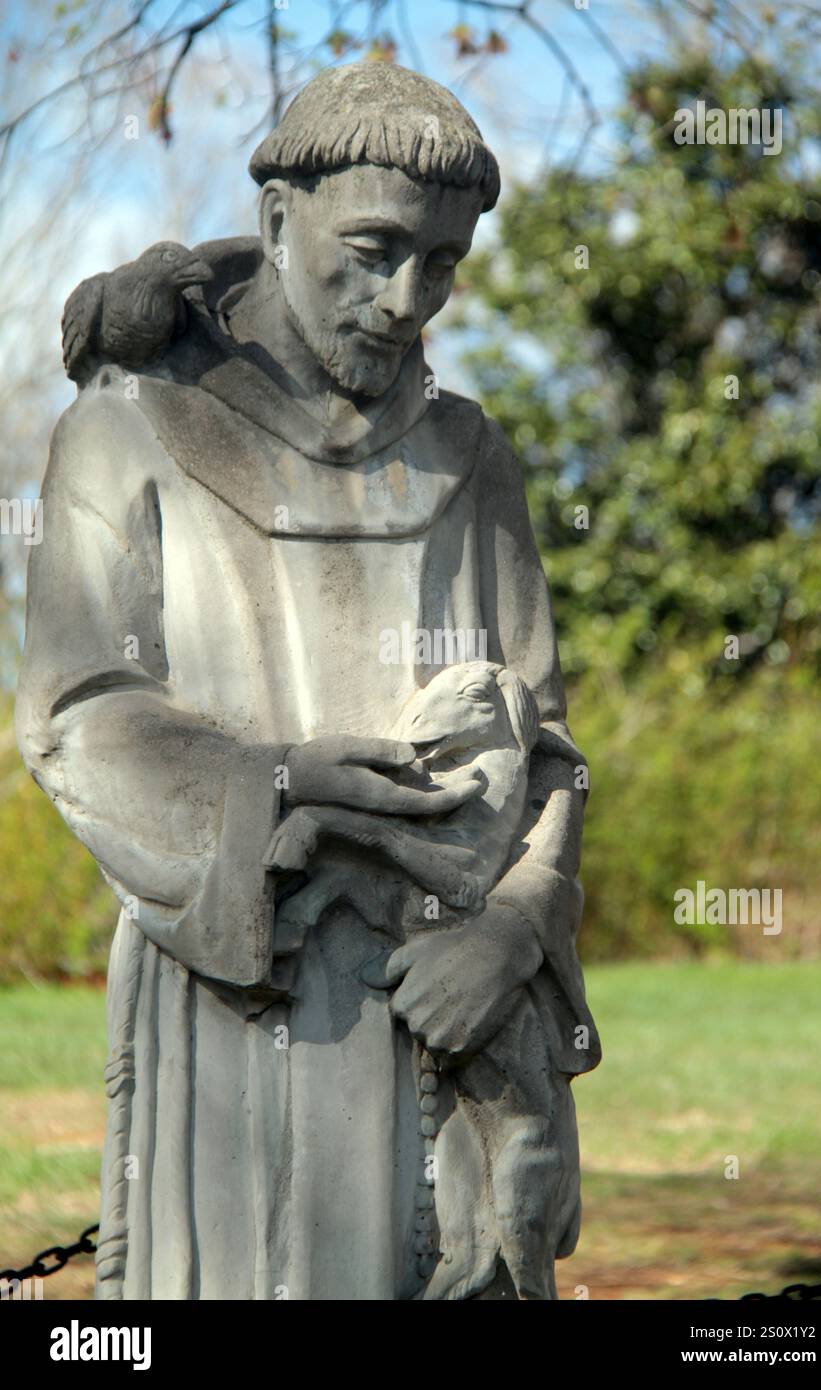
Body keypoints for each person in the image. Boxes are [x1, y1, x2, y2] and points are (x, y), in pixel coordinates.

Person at [16, 61, 600, 1301]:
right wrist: (272, 783)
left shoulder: (467, 456)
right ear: (277, 219)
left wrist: (510, 931)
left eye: (441, 265)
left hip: (452, 1017)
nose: (405, 301)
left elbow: (543, 742)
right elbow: (75, 714)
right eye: (374, 249)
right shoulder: (127, 434)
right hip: (240, 1019)